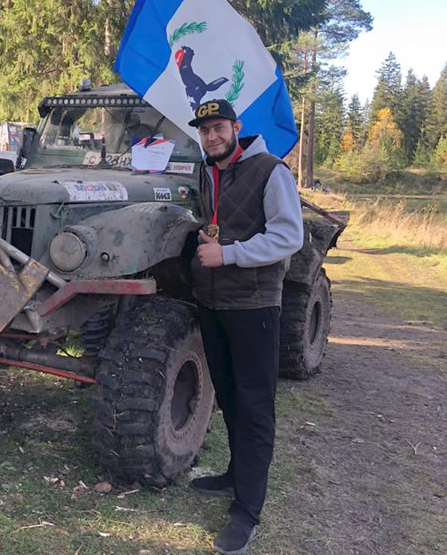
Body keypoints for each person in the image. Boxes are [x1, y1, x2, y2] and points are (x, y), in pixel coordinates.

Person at [187, 99, 303, 555]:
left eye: (218, 127)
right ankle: (236, 475)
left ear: (236, 127)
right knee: (230, 397)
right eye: (204, 130)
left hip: (254, 306)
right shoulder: (207, 171)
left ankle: (247, 511)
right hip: (212, 302)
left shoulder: (270, 170)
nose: (211, 136)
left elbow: (288, 236)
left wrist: (229, 254)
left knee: (255, 407)